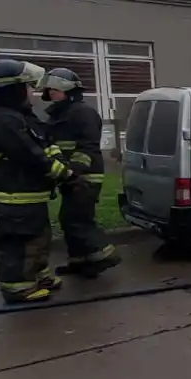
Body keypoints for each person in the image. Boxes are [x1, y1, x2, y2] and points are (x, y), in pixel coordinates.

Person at [0, 59, 73, 304]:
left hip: (27, 197)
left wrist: (58, 162)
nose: (33, 92)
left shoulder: (17, 116)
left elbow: (43, 143)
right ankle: (18, 288)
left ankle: (39, 277)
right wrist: (64, 173)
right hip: (13, 198)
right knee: (18, 244)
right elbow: (30, 155)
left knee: (37, 239)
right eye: (28, 86)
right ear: (12, 89)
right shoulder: (2, 121)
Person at [39, 67, 120, 278]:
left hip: (85, 176)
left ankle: (105, 254)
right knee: (68, 218)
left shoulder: (83, 113)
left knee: (78, 219)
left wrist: (75, 171)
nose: (51, 94)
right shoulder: (58, 114)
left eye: (54, 90)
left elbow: (88, 147)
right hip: (68, 175)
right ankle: (79, 261)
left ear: (67, 90)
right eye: (49, 90)